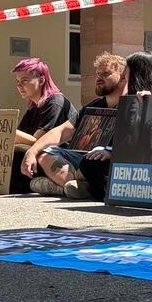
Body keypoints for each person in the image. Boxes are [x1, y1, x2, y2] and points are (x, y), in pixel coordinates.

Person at [24, 52, 128, 199]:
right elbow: (61, 132)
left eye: (106, 74)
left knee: (91, 162)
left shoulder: (132, 105)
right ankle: (75, 185)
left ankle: (67, 186)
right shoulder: (93, 107)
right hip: (83, 161)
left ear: (123, 77)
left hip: (108, 161)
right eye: (97, 74)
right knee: (44, 151)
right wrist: (32, 152)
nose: (99, 78)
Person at [8, 58, 73, 192]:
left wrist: (5, 128)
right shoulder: (33, 107)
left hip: (59, 158)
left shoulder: (55, 102)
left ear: (42, 80)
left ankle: (52, 184)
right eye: (17, 82)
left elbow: (38, 142)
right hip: (40, 155)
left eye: (24, 81)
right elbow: (20, 139)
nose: (20, 86)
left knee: (18, 155)